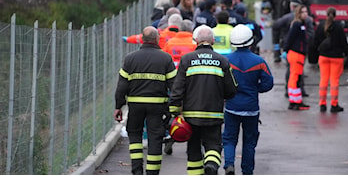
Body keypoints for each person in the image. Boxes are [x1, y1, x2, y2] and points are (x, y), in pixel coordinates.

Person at [169, 25, 238, 175]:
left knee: (193, 148)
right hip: (214, 115)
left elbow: (178, 88)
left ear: (196, 41)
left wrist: (174, 111)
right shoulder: (222, 61)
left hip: (191, 116)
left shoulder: (187, 59)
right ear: (213, 41)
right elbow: (231, 90)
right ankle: (211, 166)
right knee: (213, 145)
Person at [114, 26, 177, 175]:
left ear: (142, 39)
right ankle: (152, 173)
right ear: (157, 39)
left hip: (135, 106)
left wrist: (118, 106)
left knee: (134, 135)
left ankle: (137, 171)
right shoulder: (165, 58)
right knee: (155, 138)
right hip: (158, 107)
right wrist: (175, 107)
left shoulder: (130, 58)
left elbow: (122, 85)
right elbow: (174, 86)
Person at [223, 24, 274, 175]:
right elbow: (268, 83)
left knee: (229, 139)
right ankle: (247, 171)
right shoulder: (259, 61)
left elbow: (221, 81)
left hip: (231, 106)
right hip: (251, 108)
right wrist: (254, 89)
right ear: (251, 42)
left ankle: (229, 164)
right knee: (250, 142)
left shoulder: (226, 60)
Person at [313, 7, 348, 112]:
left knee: (323, 80)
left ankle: (322, 104)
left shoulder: (321, 26)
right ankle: (334, 104)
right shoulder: (338, 27)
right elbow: (343, 43)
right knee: (334, 81)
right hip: (336, 58)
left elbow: (315, 42)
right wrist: (347, 54)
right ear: (335, 15)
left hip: (323, 56)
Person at [283, 5, 312, 110]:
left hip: (297, 54)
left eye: (306, 12)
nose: (305, 14)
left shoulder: (300, 24)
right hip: (296, 54)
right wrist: (285, 50)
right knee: (295, 78)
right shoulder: (297, 24)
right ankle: (296, 102)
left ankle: (294, 101)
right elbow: (290, 38)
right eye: (303, 12)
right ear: (298, 13)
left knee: (294, 77)